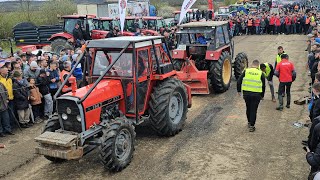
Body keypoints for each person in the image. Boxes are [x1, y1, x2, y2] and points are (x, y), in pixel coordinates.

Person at [237, 60, 266, 132]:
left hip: (246, 94)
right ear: (258, 66)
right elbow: (263, 86)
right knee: (254, 110)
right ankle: (252, 126)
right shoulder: (261, 73)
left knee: (248, 108)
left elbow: (239, 81)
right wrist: (262, 95)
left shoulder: (246, 71)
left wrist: (239, 91)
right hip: (256, 95)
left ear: (251, 64)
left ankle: (249, 122)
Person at [0, 65, 13, 136]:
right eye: (6, 70)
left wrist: (7, 98)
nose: (7, 71)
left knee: (6, 117)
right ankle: (1, 131)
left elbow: (5, 91)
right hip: (1, 102)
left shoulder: (3, 82)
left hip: (5, 102)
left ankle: (8, 129)